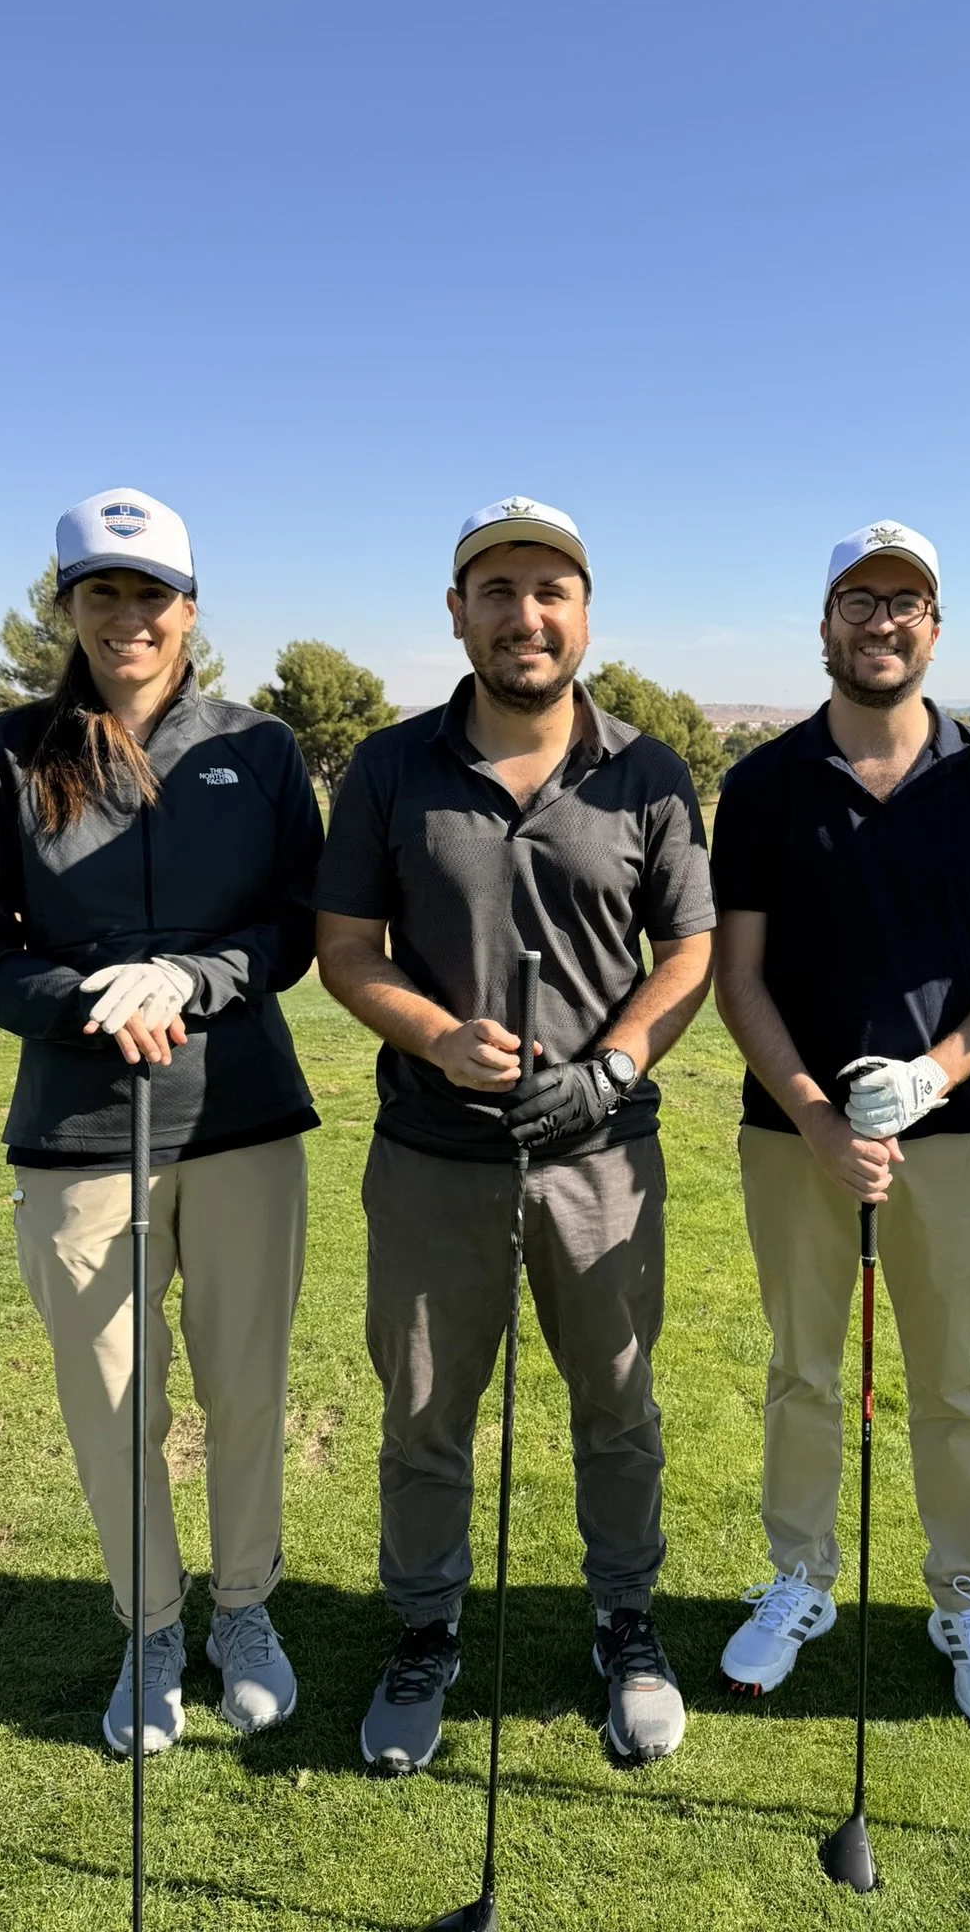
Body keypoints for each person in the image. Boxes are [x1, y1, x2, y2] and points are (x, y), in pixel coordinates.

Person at [315, 494, 714, 1774]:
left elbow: (689, 947)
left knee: (619, 1401)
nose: (525, 615)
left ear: (585, 614)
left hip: (601, 1157)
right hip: (435, 1156)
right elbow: (345, 946)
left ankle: (626, 1618)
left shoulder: (650, 772)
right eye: (498, 590)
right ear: (458, 612)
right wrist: (437, 1035)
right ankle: (426, 1628)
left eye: (551, 590)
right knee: (426, 1412)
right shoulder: (389, 766)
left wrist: (615, 1064)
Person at [0, 488, 323, 1754]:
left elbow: (296, 925)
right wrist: (80, 997)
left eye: (151, 592)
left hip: (240, 1115)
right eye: (100, 591)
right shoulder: (7, 753)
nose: (128, 616)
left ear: (189, 608)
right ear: (68, 607)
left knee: (246, 1385)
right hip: (77, 1128)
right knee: (112, 1402)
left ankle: (244, 1609)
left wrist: (193, 977)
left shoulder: (259, 746)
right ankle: (151, 1624)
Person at [709, 520, 970, 1733]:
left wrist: (933, 1074)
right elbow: (738, 977)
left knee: (949, 1380)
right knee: (803, 1370)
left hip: (947, 1136)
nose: (881, 620)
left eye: (904, 601)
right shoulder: (764, 784)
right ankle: (802, 1577)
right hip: (791, 1133)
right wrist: (815, 1114)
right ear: (825, 624)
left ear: (935, 629)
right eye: (857, 599)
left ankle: (962, 1597)